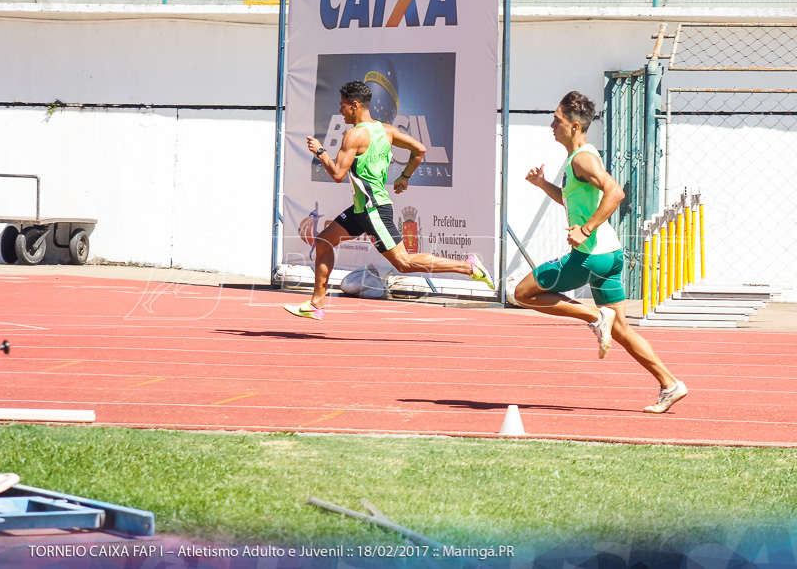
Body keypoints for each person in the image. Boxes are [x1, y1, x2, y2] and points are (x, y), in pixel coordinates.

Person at [512, 91, 687, 414]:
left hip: (590, 256)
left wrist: (586, 229)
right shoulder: (578, 157)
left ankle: (595, 317)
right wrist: (543, 185)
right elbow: (574, 200)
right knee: (620, 330)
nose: (552, 125)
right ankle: (670, 383)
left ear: (574, 126)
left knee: (522, 293)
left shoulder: (583, 158)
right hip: (610, 255)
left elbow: (615, 192)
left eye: (557, 119)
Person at [284, 80, 494, 320]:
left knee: (403, 263)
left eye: (342, 106)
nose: (340, 111)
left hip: (373, 209)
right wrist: (404, 177)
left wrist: (321, 152)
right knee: (323, 243)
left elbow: (337, 174)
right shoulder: (387, 130)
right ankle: (316, 304)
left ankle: (469, 266)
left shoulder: (353, 135)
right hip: (362, 208)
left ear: (354, 105)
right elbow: (420, 149)